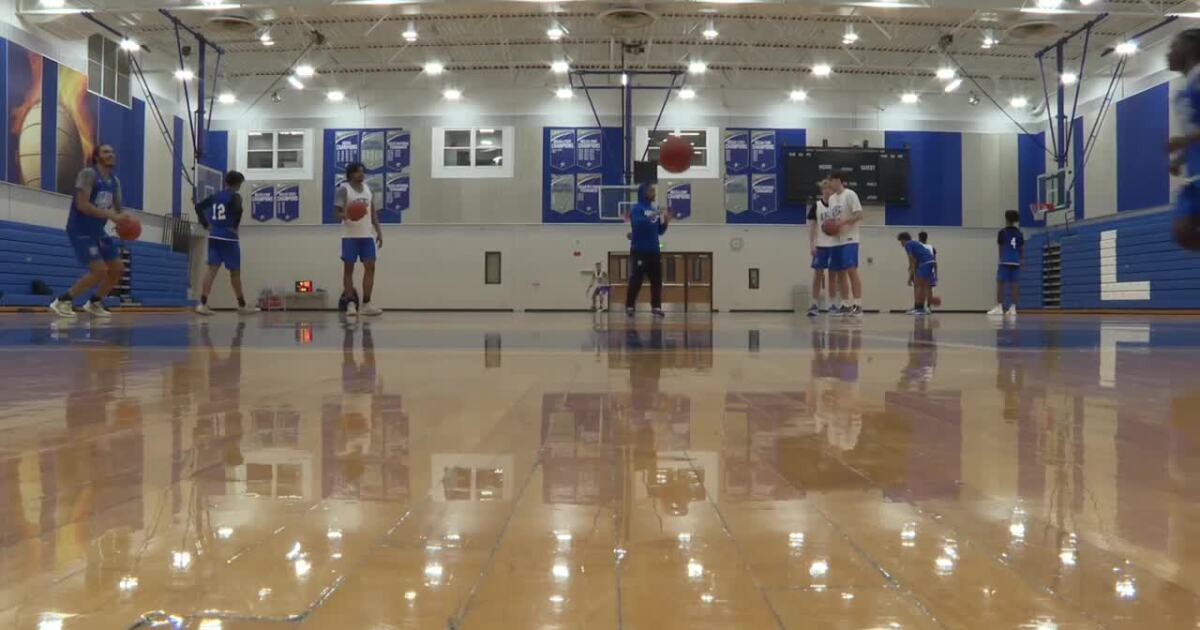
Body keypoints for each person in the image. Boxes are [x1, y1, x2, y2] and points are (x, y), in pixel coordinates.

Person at [50, 144, 126, 318]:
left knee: (118, 268)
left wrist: (125, 222)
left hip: (98, 230)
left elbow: (119, 209)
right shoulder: (88, 174)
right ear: (97, 156)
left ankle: (95, 302)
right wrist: (112, 215)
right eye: (106, 151)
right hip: (80, 228)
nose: (111, 154)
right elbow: (82, 205)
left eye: (112, 151)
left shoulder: (115, 182)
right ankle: (63, 300)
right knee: (99, 271)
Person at [194, 170, 258, 316]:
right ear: (237, 184)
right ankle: (242, 305)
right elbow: (239, 210)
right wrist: (234, 227)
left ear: (225, 182)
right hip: (229, 238)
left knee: (211, 271)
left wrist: (205, 224)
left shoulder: (215, 196)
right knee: (235, 274)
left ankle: (202, 304)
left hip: (214, 236)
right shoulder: (235, 196)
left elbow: (198, 207)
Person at [334, 162, 384, 316]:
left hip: (367, 236)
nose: (361, 175)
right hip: (350, 236)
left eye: (362, 172)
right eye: (358, 172)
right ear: (350, 174)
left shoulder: (368, 189)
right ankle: (350, 303)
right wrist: (349, 215)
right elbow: (336, 214)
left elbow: (373, 213)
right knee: (349, 270)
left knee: (370, 268)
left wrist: (379, 232)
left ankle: (366, 304)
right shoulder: (343, 189)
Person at [1167, 29, 1200, 250]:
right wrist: (1180, 158)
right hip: (1195, 173)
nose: (1168, 53)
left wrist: (1183, 140)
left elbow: (1191, 135)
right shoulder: (1183, 89)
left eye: (1173, 47)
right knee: (1182, 232)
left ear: (1191, 48)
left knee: (1184, 230)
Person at [625, 182, 670, 317]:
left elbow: (659, 231)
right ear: (644, 192)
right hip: (639, 250)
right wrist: (656, 213)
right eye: (651, 191)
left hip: (654, 250)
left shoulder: (653, 208)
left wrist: (666, 221)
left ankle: (656, 306)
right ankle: (630, 306)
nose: (654, 193)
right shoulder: (636, 209)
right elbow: (639, 223)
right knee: (636, 279)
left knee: (657, 280)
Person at [827, 172, 865, 316]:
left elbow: (859, 214)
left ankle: (858, 304)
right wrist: (831, 227)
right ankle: (844, 304)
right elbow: (832, 219)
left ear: (838, 180)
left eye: (831, 180)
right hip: (836, 240)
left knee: (851, 270)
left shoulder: (850, 194)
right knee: (840, 273)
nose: (829, 183)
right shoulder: (831, 199)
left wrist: (844, 222)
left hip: (850, 238)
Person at [807, 179, 838, 317]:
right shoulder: (816, 205)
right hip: (820, 244)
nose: (827, 190)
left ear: (833, 190)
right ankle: (814, 304)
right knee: (817, 276)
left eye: (829, 188)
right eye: (824, 188)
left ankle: (832, 304)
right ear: (822, 190)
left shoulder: (837, 206)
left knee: (833, 275)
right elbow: (812, 227)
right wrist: (812, 244)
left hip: (834, 244)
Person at [988, 210, 1024, 318]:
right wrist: (1022, 259)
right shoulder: (1019, 233)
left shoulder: (1002, 232)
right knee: (1015, 284)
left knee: (1000, 283)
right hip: (1015, 260)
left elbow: (1001, 247)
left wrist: (1001, 259)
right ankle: (1013, 308)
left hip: (1005, 260)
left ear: (1006, 219)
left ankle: (999, 306)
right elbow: (1021, 248)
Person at [898, 232, 935, 316]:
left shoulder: (908, 244)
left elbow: (912, 260)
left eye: (901, 242)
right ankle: (920, 307)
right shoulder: (914, 243)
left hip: (925, 263)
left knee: (918, 286)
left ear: (904, 240)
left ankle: (919, 308)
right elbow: (915, 260)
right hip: (929, 262)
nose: (901, 244)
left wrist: (910, 276)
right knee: (921, 286)